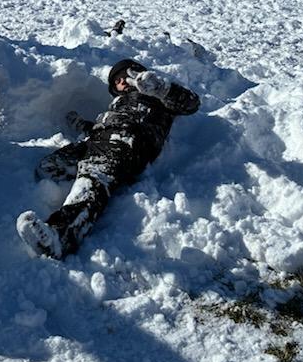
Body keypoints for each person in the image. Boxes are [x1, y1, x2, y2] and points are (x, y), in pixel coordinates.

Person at [16, 59, 200, 259]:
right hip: (100, 141)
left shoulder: (156, 98)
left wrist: (162, 90)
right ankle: (91, 180)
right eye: (117, 81)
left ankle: (61, 234)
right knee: (49, 166)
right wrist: (81, 125)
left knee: (94, 176)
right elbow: (103, 126)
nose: (122, 81)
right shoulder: (118, 103)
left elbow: (191, 104)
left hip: (129, 142)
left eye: (125, 75)